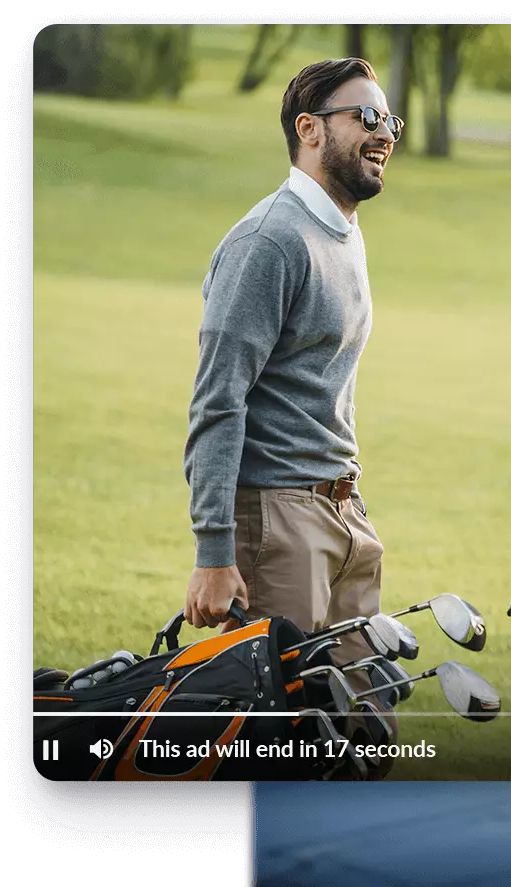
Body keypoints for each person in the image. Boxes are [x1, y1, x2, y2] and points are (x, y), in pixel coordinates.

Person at [182, 58, 402, 778]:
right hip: (276, 525)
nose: (384, 132)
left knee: (363, 728)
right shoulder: (268, 242)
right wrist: (216, 552)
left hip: (342, 515)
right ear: (309, 129)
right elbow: (219, 400)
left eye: (389, 120)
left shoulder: (342, 229)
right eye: (365, 117)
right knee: (275, 743)